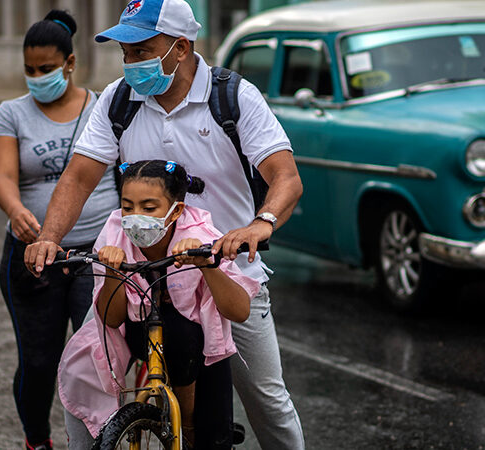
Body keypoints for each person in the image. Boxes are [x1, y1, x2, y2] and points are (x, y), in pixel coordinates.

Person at [25, 1, 305, 448]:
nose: (132, 62)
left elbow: (285, 176)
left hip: (224, 274)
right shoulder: (119, 100)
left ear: (181, 46)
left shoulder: (233, 97)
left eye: (142, 50)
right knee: (84, 372)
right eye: (127, 52)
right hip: (140, 275)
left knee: (267, 401)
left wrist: (260, 223)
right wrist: (48, 237)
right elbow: (79, 176)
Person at [59, 159, 262, 449]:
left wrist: (207, 264)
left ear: (176, 210)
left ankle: (189, 421)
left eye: (149, 208)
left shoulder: (202, 235)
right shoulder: (115, 232)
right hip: (137, 332)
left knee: (214, 429)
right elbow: (111, 319)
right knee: (83, 366)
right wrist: (114, 272)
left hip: (198, 349)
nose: (134, 216)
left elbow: (239, 311)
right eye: (127, 207)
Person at [0, 10, 117, 450]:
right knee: (39, 361)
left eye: (46, 68)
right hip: (32, 258)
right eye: (30, 70)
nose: (37, 77)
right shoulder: (11, 114)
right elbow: (3, 176)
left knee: (99, 358)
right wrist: (16, 208)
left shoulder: (102, 108)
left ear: (70, 63)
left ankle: (102, 437)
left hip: (96, 256)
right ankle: (37, 440)